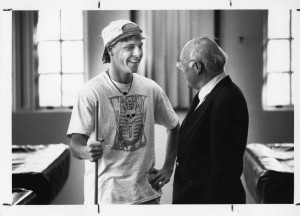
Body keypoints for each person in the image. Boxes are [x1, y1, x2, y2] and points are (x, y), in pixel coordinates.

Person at [67, 20, 180, 204]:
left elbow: (174, 126)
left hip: (146, 197)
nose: (137, 53)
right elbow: (75, 145)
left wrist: (168, 168)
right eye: (129, 47)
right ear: (110, 50)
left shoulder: (150, 88)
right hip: (106, 199)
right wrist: (87, 151)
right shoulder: (92, 91)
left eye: (140, 46)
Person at [172, 37, 249, 204]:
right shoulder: (208, 94)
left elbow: (223, 169)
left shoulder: (227, 98)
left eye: (182, 66)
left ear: (197, 67)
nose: (181, 70)